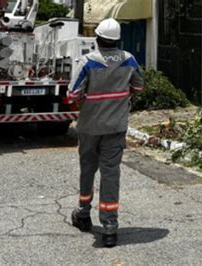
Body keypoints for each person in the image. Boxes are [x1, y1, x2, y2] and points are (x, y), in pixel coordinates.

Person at [67, 18, 143, 248]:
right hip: (116, 127)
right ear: (117, 40)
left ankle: (83, 213)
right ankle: (110, 227)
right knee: (111, 174)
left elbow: (72, 95)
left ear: (97, 39)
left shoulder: (88, 62)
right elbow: (139, 87)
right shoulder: (129, 60)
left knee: (87, 169)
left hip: (90, 127)